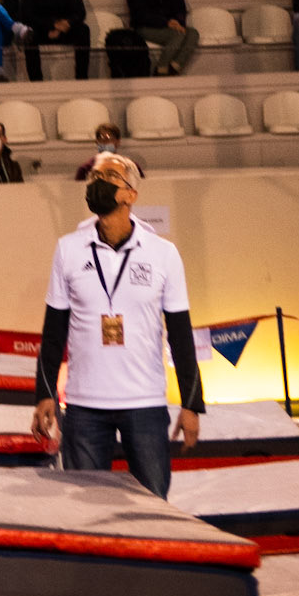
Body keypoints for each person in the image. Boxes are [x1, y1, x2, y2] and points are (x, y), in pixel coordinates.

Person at [33, 151, 203, 498]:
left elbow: (181, 334)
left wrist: (191, 403)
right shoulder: (68, 249)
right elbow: (53, 332)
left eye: (107, 178)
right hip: (83, 406)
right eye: (94, 178)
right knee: (88, 512)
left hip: (145, 402)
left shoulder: (163, 253)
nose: (97, 184)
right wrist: (45, 394)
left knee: (153, 506)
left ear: (130, 194)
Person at [19, 0, 90, 81]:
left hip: (64, 30)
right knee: (28, 33)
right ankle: (36, 81)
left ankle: (82, 77)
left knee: (83, 30)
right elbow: (27, 15)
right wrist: (51, 25)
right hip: (41, 30)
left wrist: (66, 24)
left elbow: (80, 12)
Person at [73, 122, 143, 182]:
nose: (105, 142)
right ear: (96, 142)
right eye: (102, 139)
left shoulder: (132, 167)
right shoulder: (85, 169)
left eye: (109, 139)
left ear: (118, 142)